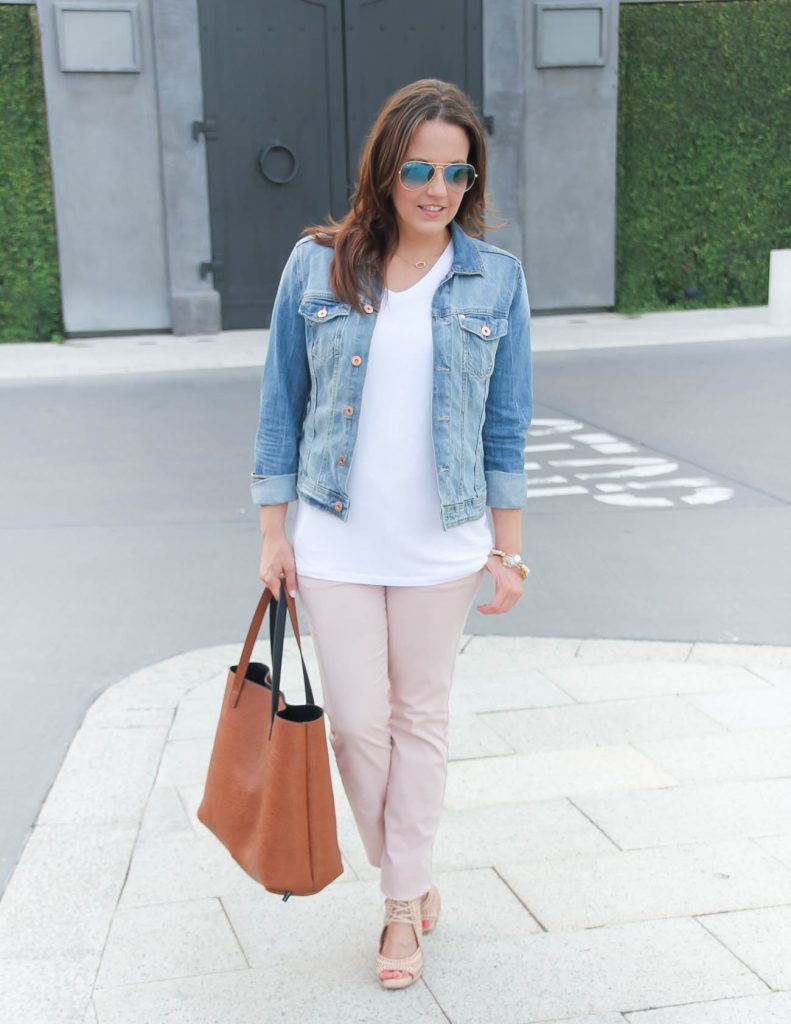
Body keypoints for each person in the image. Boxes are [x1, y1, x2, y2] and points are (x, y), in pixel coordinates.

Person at [251, 78, 532, 990]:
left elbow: (505, 425)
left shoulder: (496, 278)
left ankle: (400, 905)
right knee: (357, 728)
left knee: (421, 720)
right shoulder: (318, 265)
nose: (436, 188)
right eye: (418, 167)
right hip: (333, 537)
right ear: (386, 166)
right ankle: (408, 870)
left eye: (456, 171)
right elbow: (278, 407)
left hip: (442, 544)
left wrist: (508, 545)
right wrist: (271, 531)